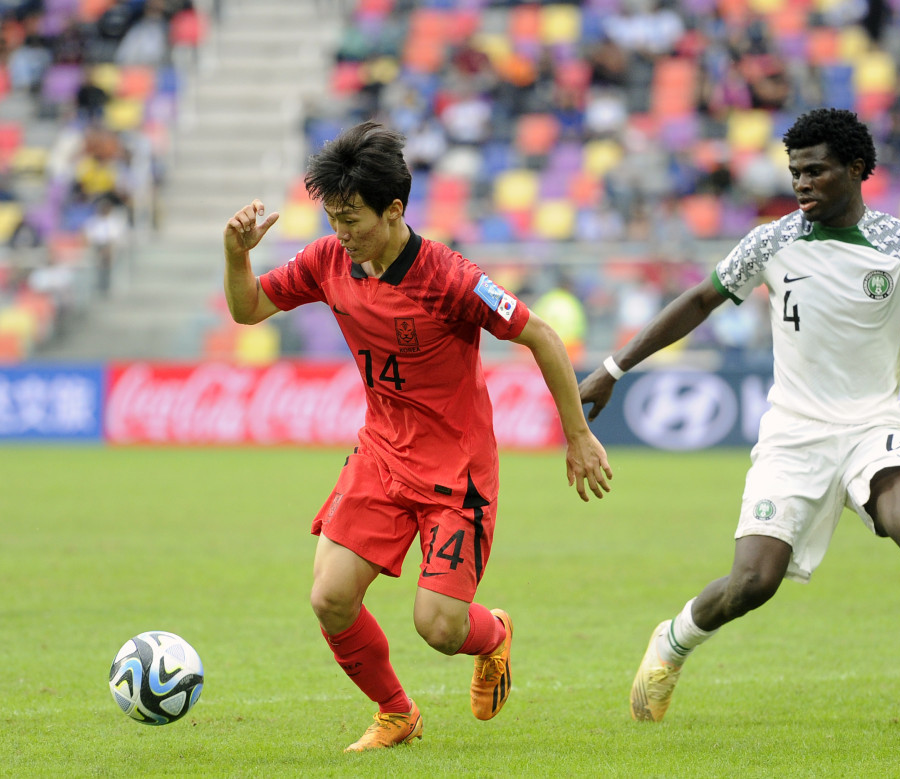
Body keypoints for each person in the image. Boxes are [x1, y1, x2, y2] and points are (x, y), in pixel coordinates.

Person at [579, 108, 900, 731]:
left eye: (815, 170)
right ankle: (672, 640)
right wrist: (614, 366)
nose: (800, 183)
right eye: (795, 171)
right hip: (794, 434)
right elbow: (697, 301)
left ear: (855, 169)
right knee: (753, 583)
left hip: (872, 426)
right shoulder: (773, 240)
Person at [223, 122, 612, 751]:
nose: (340, 234)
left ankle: (495, 635)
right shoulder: (327, 261)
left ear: (395, 209)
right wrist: (236, 254)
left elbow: (539, 334)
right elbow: (248, 310)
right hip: (380, 455)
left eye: (352, 219)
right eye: (332, 218)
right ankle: (396, 713)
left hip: (455, 473)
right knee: (330, 599)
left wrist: (577, 435)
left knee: (437, 625)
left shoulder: (451, 279)